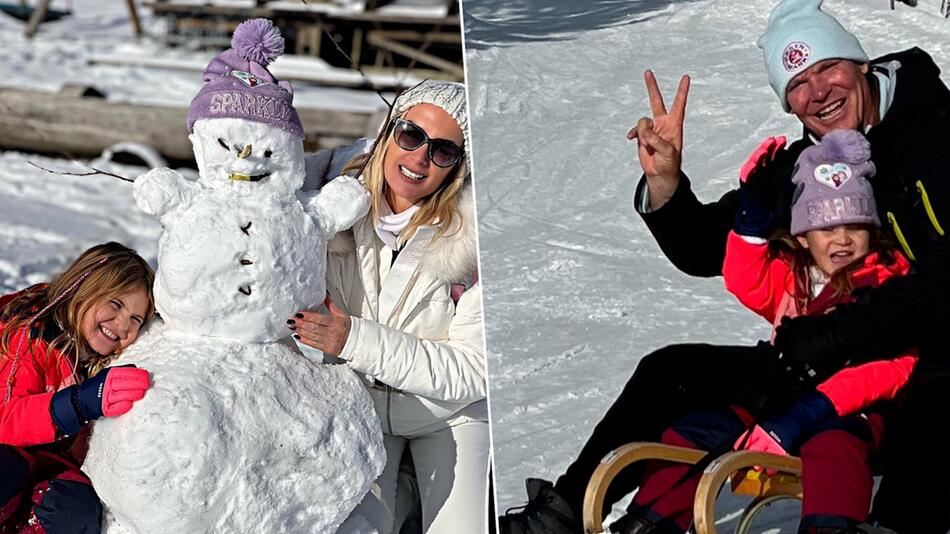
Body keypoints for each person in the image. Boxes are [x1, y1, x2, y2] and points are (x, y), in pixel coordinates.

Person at [501, 0, 950, 532]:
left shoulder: (935, 133)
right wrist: (667, 184)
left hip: (927, 358)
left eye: (827, 68)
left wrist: (834, 335)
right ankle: (564, 514)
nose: (819, 93)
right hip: (834, 356)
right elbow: (711, 247)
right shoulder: (804, 167)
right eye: (797, 84)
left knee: (933, 424)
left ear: (860, 64)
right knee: (670, 372)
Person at [613, 129, 915, 534]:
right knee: (693, 432)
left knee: (832, 444)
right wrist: (751, 218)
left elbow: (893, 366)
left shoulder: (884, 282)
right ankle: (652, 523)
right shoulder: (796, 278)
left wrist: (809, 413)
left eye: (855, 227)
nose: (842, 240)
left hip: (849, 413)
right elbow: (745, 278)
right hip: (775, 405)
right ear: (805, 237)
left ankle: (830, 527)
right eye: (827, 229)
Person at [290, 80, 489, 534]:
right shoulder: (325, 201)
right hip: (358, 405)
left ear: (458, 168)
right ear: (387, 133)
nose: (420, 157)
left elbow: (474, 369)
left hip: (448, 414)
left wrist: (352, 338)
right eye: (411, 135)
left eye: (442, 151)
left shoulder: (475, 240)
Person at [0, 242, 154, 532]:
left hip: (45, 465)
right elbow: (4, 420)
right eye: (116, 304)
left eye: (136, 319)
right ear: (82, 289)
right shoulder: (29, 337)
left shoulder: (102, 357)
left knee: (73, 506)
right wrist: (77, 404)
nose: (122, 324)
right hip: (10, 458)